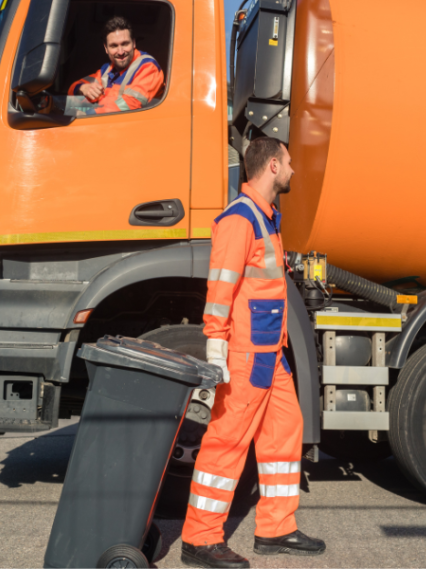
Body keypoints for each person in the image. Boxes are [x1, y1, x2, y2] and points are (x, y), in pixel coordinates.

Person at [181, 137, 326, 568]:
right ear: (273, 167)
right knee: (226, 442)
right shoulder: (240, 220)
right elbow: (220, 287)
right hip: (245, 353)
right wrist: (215, 345)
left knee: (285, 431)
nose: (295, 171)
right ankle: (200, 539)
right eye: (290, 163)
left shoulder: (265, 219)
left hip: (270, 352)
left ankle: (276, 528)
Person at [67, 16, 165, 115]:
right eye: (114, 46)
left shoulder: (147, 66)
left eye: (125, 44)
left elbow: (130, 104)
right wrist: (82, 88)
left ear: (134, 43)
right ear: (106, 48)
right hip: (107, 123)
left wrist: (88, 114)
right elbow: (73, 89)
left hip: (130, 126)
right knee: (61, 105)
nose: (121, 52)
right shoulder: (107, 69)